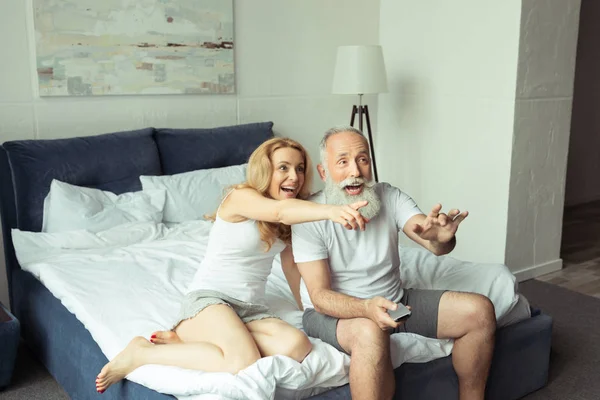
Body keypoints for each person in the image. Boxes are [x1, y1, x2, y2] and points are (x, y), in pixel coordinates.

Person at [95, 137, 369, 394]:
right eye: (283, 168)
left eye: (299, 168)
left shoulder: (292, 215)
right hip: (210, 300)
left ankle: (191, 340)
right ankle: (142, 352)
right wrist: (330, 212)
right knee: (243, 360)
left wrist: (307, 309)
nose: (294, 177)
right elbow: (278, 211)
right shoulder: (241, 197)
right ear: (265, 171)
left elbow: (292, 268)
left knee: (298, 346)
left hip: (250, 309)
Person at [291, 126, 497, 400]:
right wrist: (366, 308)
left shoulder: (390, 196)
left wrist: (441, 239)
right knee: (369, 332)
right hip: (333, 314)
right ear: (323, 172)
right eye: (343, 162)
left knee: (479, 311)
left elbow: (429, 239)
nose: (355, 171)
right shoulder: (310, 217)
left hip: (394, 303)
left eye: (362, 160)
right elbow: (319, 297)